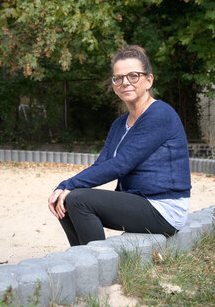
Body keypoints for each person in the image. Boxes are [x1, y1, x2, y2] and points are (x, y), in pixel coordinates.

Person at [48, 45, 191, 246]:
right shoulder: (119, 124)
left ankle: (97, 259)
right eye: (119, 78)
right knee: (65, 199)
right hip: (137, 201)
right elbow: (102, 164)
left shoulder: (160, 115)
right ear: (114, 85)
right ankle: (81, 258)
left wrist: (68, 184)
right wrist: (64, 189)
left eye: (133, 76)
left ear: (149, 80)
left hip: (163, 208)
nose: (125, 82)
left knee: (77, 199)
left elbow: (121, 164)